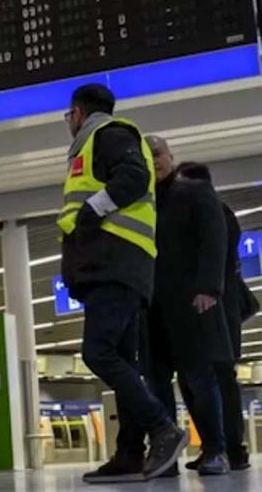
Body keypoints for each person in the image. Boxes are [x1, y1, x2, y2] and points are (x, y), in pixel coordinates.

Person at [57, 84, 186, 484]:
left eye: (68, 116)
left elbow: (133, 175)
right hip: (116, 266)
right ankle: (130, 453)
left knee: (98, 351)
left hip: (114, 264)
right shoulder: (96, 142)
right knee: (124, 359)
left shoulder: (108, 134)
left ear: (78, 113)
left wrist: (91, 213)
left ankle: (162, 428)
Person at [143, 138, 232, 476]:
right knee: (157, 382)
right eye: (146, 157)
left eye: (158, 155)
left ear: (171, 158)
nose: (153, 163)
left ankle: (216, 450)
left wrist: (209, 287)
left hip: (190, 303)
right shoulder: (140, 203)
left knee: (199, 379)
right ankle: (166, 457)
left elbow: (214, 238)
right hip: (151, 306)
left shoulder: (194, 192)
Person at [176, 161, 251, 472]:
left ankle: (230, 448)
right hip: (213, 310)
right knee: (201, 379)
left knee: (218, 378)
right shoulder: (215, 213)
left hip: (215, 310)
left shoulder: (216, 213)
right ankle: (216, 446)